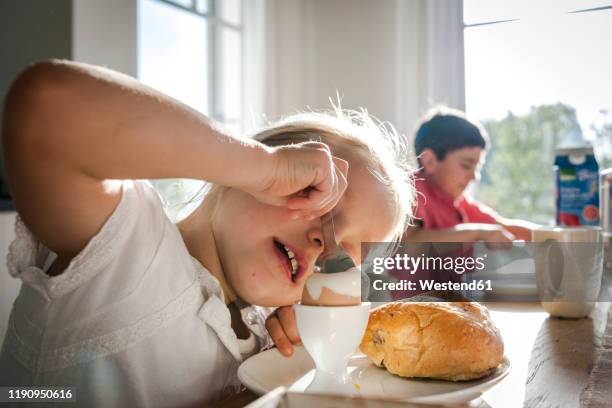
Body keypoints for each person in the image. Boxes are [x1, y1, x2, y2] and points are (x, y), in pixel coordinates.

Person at [0, 60, 413, 406]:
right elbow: (47, 109)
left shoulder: (265, 343)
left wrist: (293, 374)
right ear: (250, 170)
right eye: (322, 198)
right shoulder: (128, 245)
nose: (329, 244)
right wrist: (263, 167)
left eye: (348, 257)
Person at [404, 107, 537, 244]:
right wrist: (477, 234)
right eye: (466, 165)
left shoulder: (459, 203)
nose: (474, 177)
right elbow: (408, 243)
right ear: (430, 161)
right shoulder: (408, 191)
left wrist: (548, 234)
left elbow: (504, 227)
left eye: (477, 167)